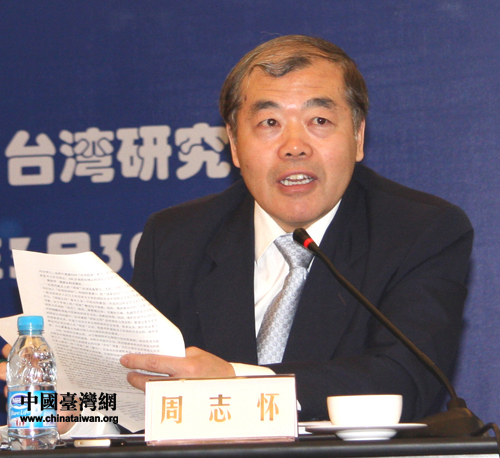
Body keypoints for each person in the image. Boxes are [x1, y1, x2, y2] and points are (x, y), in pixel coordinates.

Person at [1, 35, 472, 428]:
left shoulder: (420, 229)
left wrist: (235, 383)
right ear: (234, 143)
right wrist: (69, 409)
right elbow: (140, 400)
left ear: (358, 135)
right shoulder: (176, 237)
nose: (294, 146)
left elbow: (404, 380)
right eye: (269, 123)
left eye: (319, 121)